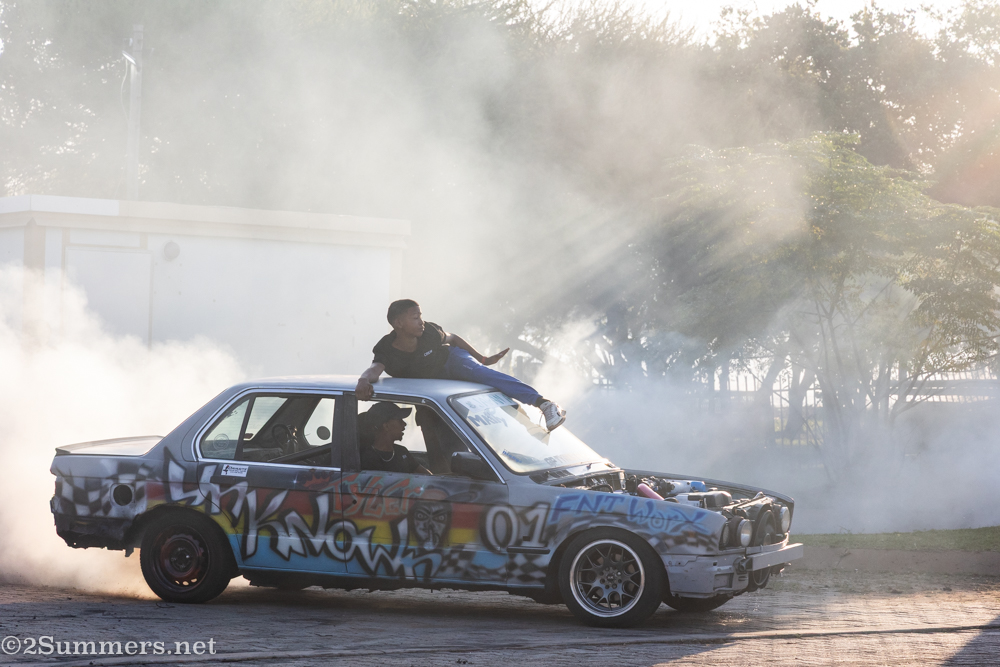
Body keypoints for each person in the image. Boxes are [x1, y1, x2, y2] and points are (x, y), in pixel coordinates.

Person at [355, 299, 566, 431]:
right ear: (398, 323)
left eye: (421, 316)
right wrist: (363, 381)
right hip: (434, 382)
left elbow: (453, 338)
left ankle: (543, 404)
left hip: (451, 360)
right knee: (428, 418)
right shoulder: (386, 348)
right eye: (415, 317)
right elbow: (375, 369)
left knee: (478, 373)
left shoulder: (429, 332)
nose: (421, 321)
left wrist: (482, 359)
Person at [358, 401, 431, 475]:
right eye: (400, 420)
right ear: (386, 426)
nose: (404, 424)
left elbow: (428, 476)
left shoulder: (402, 452)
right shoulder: (365, 458)